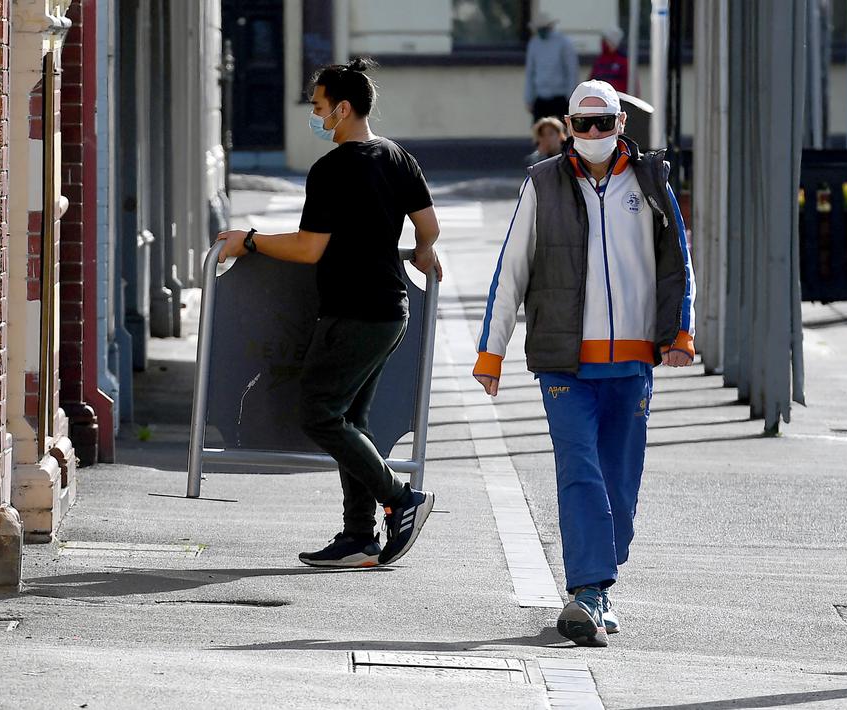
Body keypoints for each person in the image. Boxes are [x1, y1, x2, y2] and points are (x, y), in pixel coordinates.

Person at [473, 80, 696, 647]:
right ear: (567, 127)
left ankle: (601, 584)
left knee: (620, 486)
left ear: (622, 124)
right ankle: (588, 591)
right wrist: (490, 351)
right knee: (580, 473)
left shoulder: (651, 182)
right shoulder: (542, 184)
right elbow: (512, 270)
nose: (594, 134)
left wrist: (680, 334)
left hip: (632, 365)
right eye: (583, 124)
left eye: (604, 123)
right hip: (564, 365)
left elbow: (677, 266)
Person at [215, 57, 441, 569]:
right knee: (352, 420)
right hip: (390, 310)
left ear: (342, 109)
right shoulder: (397, 157)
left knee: (318, 413)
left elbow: (308, 248)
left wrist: (248, 241)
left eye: (318, 106)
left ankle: (401, 501)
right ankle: (359, 536)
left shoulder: (332, 169)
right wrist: (424, 252)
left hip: (353, 312)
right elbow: (428, 224)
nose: (313, 116)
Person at [524, 10, 578, 122]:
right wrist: (529, 98)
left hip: (560, 98)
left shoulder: (564, 43)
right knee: (540, 134)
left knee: (560, 135)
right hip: (540, 99)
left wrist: (571, 98)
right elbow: (530, 73)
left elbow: (571, 71)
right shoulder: (533, 44)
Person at [589, 26, 629, 93]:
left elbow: (632, 84)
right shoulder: (600, 60)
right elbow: (591, 79)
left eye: (605, 40)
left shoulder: (624, 61)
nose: (602, 42)